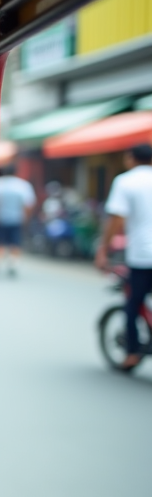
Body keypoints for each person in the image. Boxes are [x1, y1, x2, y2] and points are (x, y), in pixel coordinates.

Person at [95, 143, 152, 370]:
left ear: (130, 158)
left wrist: (103, 249)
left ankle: (132, 352)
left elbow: (116, 219)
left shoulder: (126, 181)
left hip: (143, 255)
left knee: (132, 303)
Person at [0, 165, 36, 276]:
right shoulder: (22, 185)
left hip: (0, 219)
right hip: (17, 219)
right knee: (15, 243)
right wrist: (26, 218)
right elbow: (28, 205)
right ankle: (13, 264)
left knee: (0, 243)